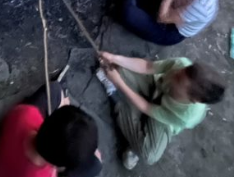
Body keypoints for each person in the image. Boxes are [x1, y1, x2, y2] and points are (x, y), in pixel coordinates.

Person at [97, 52, 226, 170]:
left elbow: (147, 108)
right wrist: (115, 58)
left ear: (193, 99)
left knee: (149, 154)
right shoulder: (181, 64)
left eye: (178, 80)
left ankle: (115, 96)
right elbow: (147, 67)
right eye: (180, 72)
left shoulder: (185, 116)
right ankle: (133, 118)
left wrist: (119, 83)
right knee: (114, 66)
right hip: (157, 88)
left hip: (163, 117)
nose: (174, 74)